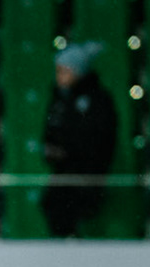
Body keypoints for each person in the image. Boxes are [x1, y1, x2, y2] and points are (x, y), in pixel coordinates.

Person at [41, 42, 119, 238]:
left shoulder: (98, 100)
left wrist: (71, 152)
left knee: (75, 210)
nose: (60, 76)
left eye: (64, 71)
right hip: (63, 173)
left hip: (87, 174)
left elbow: (101, 139)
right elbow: (50, 130)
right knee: (54, 209)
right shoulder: (59, 99)